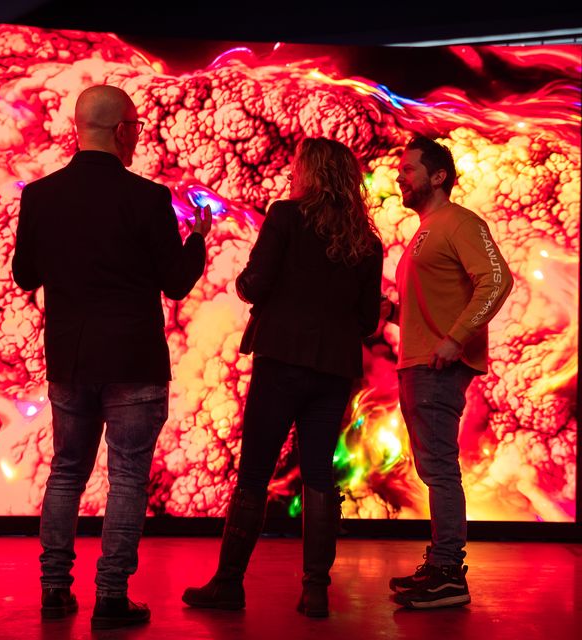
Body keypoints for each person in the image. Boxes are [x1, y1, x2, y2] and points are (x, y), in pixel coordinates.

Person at [12, 84, 211, 630]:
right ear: (123, 130)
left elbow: (24, 275)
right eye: (136, 127)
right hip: (134, 360)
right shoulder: (147, 198)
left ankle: (54, 588)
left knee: (66, 472)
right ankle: (111, 596)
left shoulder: (41, 196)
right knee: (127, 478)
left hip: (70, 360)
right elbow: (174, 284)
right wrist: (197, 238)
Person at [183, 137, 383, 617]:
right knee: (319, 476)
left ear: (309, 173)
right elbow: (367, 320)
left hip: (280, 362)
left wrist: (247, 285)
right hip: (333, 370)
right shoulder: (367, 241)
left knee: (254, 473)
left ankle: (229, 584)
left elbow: (255, 282)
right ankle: (315, 589)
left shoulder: (286, 217)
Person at [382, 135, 513, 609]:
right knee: (434, 469)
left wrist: (456, 339)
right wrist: (391, 312)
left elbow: (498, 279)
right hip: (419, 364)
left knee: (439, 471)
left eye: (409, 168)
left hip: (436, 368)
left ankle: (448, 575)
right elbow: (431, 309)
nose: (401, 175)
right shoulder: (426, 230)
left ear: (438, 177)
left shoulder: (458, 221)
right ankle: (440, 566)